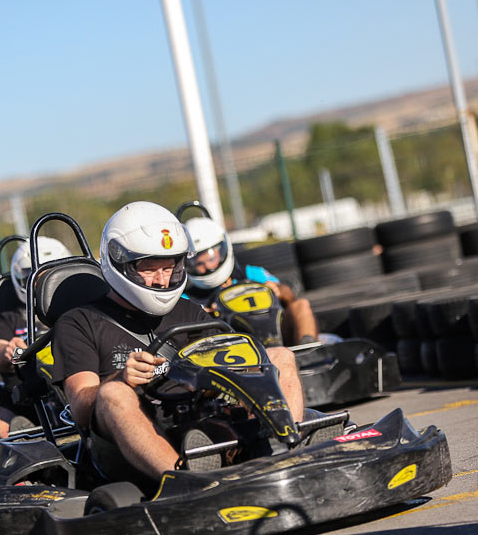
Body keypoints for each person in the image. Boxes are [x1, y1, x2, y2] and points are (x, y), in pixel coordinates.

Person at [51, 201, 305, 483]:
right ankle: (185, 481)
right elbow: (82, 407)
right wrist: (121, 378)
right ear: (120, 262)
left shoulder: (192, 312)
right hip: (126, 443)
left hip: (198, 417)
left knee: (279, 356)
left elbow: (231, 365)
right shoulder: (78, 323)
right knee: (113, 395)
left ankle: (286, 452)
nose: (162, 281)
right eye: (150, 268)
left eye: (169, 267)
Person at [0, 236, 71, 438]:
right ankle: (19, 439)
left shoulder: (79, 309)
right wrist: (9, 352)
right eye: (33, 277)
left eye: (48, 275)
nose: (40, 283)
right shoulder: (10, 318)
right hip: (27, 394)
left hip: (75, 378)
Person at [181, 215, 321, 346]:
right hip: (234, 347)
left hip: (276, 332)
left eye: (211, 258)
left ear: (222, 249)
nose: (207, 266)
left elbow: (289, 296)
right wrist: (203, 315)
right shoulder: (188, 298)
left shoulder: (250, 273)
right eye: (199, 263)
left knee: (301, 304)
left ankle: (308, 348)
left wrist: (277, 290)